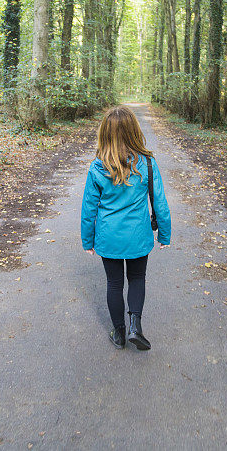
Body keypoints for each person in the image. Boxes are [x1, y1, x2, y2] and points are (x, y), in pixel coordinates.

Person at [81, 106, 171, 350]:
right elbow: (159, 202)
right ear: (134, 131)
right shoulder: (147, 164)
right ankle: (135, 327)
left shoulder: (97, 167)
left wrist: (87, 241)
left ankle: (119, 333)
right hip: (138, 236)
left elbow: (88, 208)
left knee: (114, 283)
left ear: (105, 134)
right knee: (137, 278)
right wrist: (164, 234)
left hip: (108, 237)